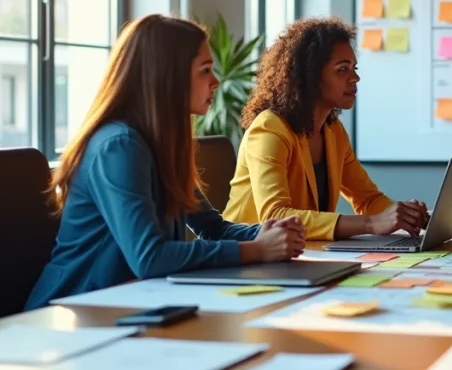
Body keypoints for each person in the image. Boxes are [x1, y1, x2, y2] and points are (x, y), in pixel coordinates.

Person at [26, 15, 305, 310]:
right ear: (167, 77)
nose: (216, 82)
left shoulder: (161, 145)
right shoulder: (119, 146)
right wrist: (256, 250)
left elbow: (213, 227)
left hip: (130, 303)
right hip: (72, 311)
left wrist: (266, 233)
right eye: (205, 70)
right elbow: (150, 257)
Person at [223, 17, 429, 241]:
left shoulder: (333, 132)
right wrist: (371, 223)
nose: (355, 78)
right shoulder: (269, 129)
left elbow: (367, 199)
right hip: (245, 252)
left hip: (300, 252)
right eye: (342, 69)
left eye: (354, 68)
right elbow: (275, 216)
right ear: (310, 76)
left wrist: (407, 216)